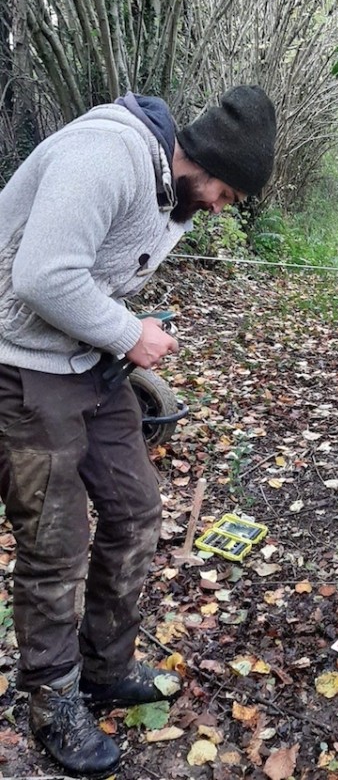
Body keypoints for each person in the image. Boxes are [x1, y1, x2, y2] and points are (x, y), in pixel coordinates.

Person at [0, 85, 276, 776]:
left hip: (90, 367)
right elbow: (41, 275)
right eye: (227, 194)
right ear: (205, 163)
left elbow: (100, 277)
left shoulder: (172, 197)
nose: (221, 209)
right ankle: (54, 701)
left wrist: (123, 341)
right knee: (53, 544)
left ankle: (106, 666)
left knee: (135, 509)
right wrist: (130, 334)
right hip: (21, 368)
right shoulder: (105, 154)